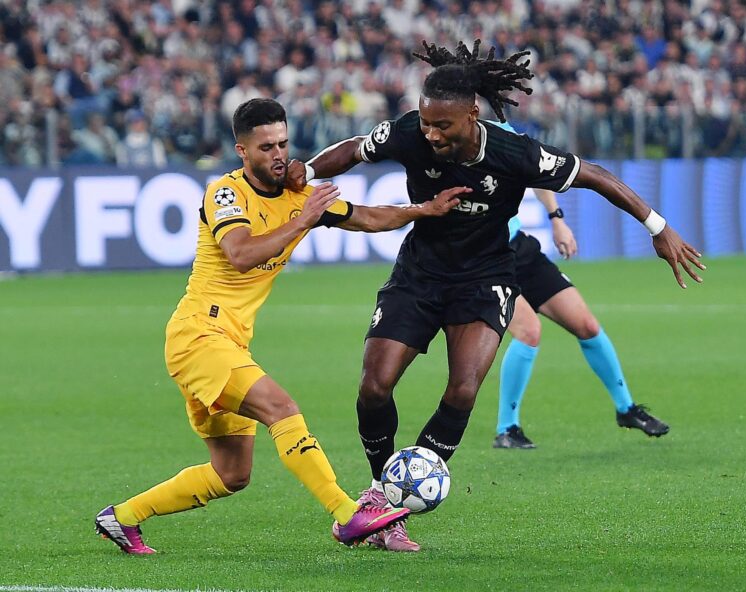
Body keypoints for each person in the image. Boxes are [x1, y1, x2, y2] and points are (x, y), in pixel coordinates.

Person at [288, 40, 704, 552]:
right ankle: (380, 492)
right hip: (420, 273)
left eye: (444, 126)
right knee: (374, 387)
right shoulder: (407, 132)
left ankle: (393, 505)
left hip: (486, 276)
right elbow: (354, 149)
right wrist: (306, 171)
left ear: (473, 113)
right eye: (426, 123)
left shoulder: (515, 153)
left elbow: (593, 175)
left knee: (463, 389)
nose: (432, 134)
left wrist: (656, 226)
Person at [95, 98, 469, 554]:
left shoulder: (297, 196)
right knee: (282, 409)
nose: (278, 154)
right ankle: (348, 515)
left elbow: (367, 216)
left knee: (232, 474)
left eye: (283, 143)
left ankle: (123, 517)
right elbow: (242, 253)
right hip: (198, 336)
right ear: (242, 150)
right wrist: (304, 220)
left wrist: (423, 210)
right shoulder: (226, 193)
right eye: (266, 146)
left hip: (228, 342)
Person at [489, 121, 669, 449]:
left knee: (586, 325)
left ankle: (626, 408)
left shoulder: (501, 132)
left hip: (519, 248)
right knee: (529, 332)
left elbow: (535, 171)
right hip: (483, 261)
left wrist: (556, 218)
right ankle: (507, 428)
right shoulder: (446, 145)